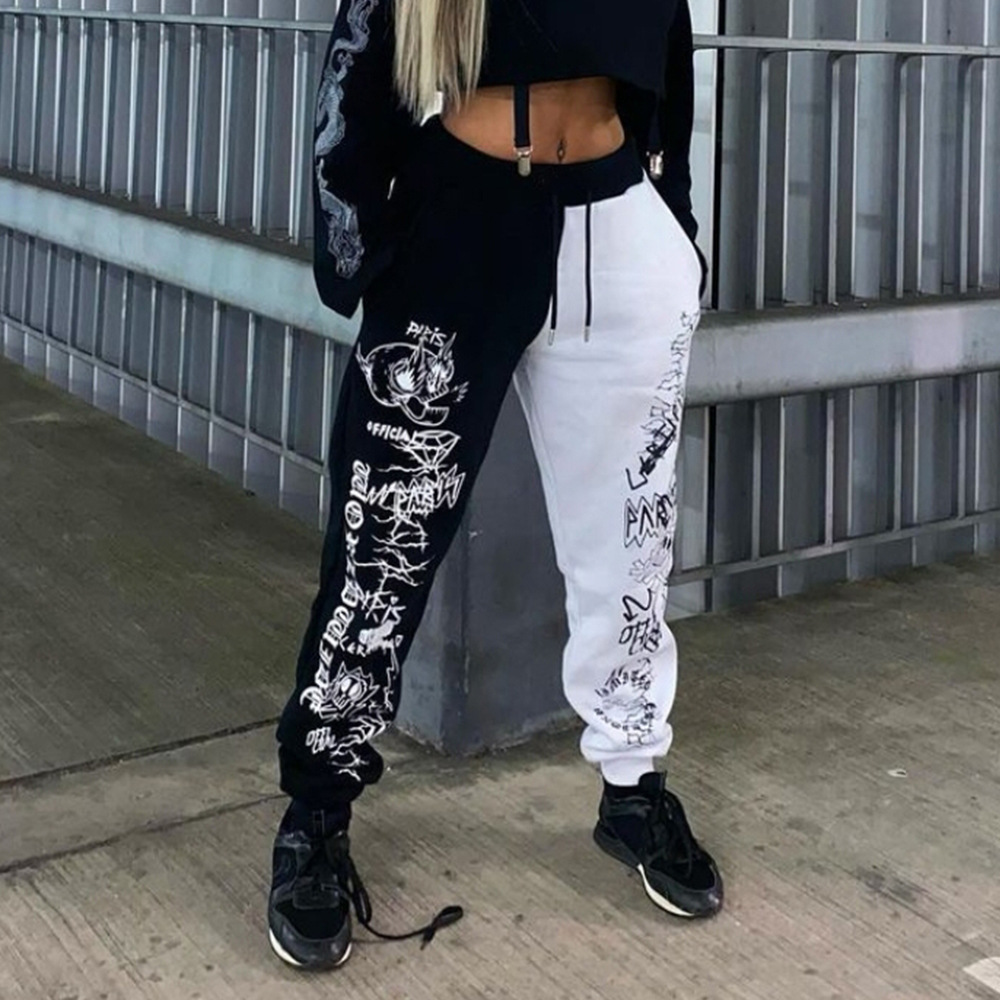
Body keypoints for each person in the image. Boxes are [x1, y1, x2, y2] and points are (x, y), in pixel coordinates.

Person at [267, 0, 722, 971]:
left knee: (630, 538)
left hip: (616, 229)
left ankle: (633, 784)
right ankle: (317, 807)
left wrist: (674, 228)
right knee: (382, 547)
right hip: (461, 227)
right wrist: (362, 247)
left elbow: (669, 58)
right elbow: (358, 65)